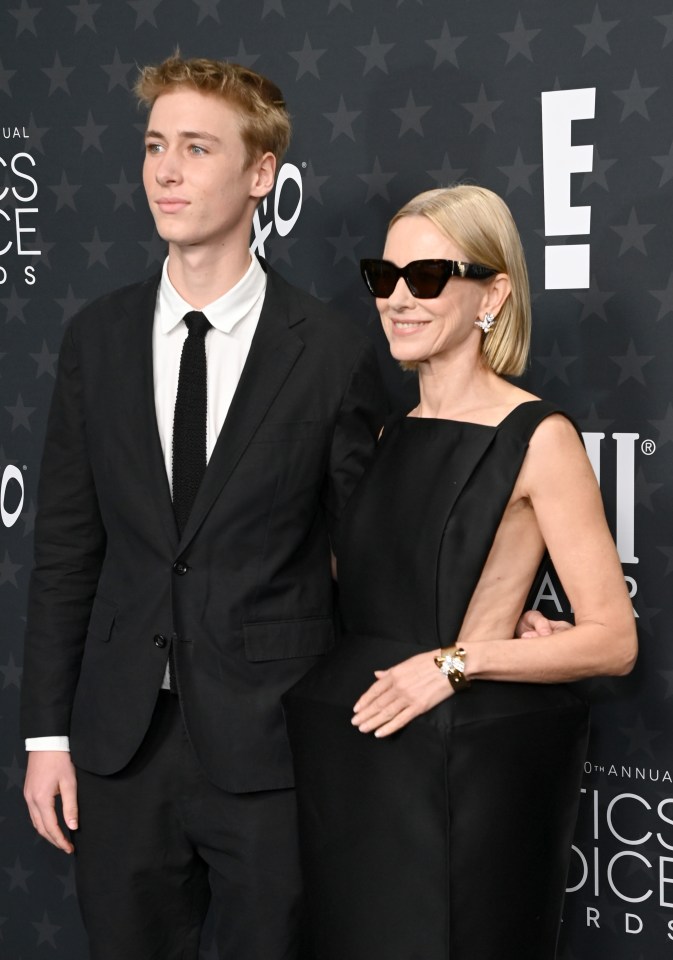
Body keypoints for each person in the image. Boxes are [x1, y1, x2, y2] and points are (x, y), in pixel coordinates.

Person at [20, 54, 388, 960]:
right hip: (118, 747)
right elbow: (67, 547)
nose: (166, 172)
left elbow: (368, 560)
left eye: (195, 148)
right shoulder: (95, 339)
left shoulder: (332, 352)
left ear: (261, 174)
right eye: (154, 147)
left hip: (272, 747)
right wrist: (46, 736)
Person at [283, 185, 637, 960]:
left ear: (493, 293)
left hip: (457, 765)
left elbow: (612, 641)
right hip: (353, 758)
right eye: (385, 277)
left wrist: (456, 661)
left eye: (429, 277)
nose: (399, 299)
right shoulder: (383, 431)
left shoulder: (536, 436)